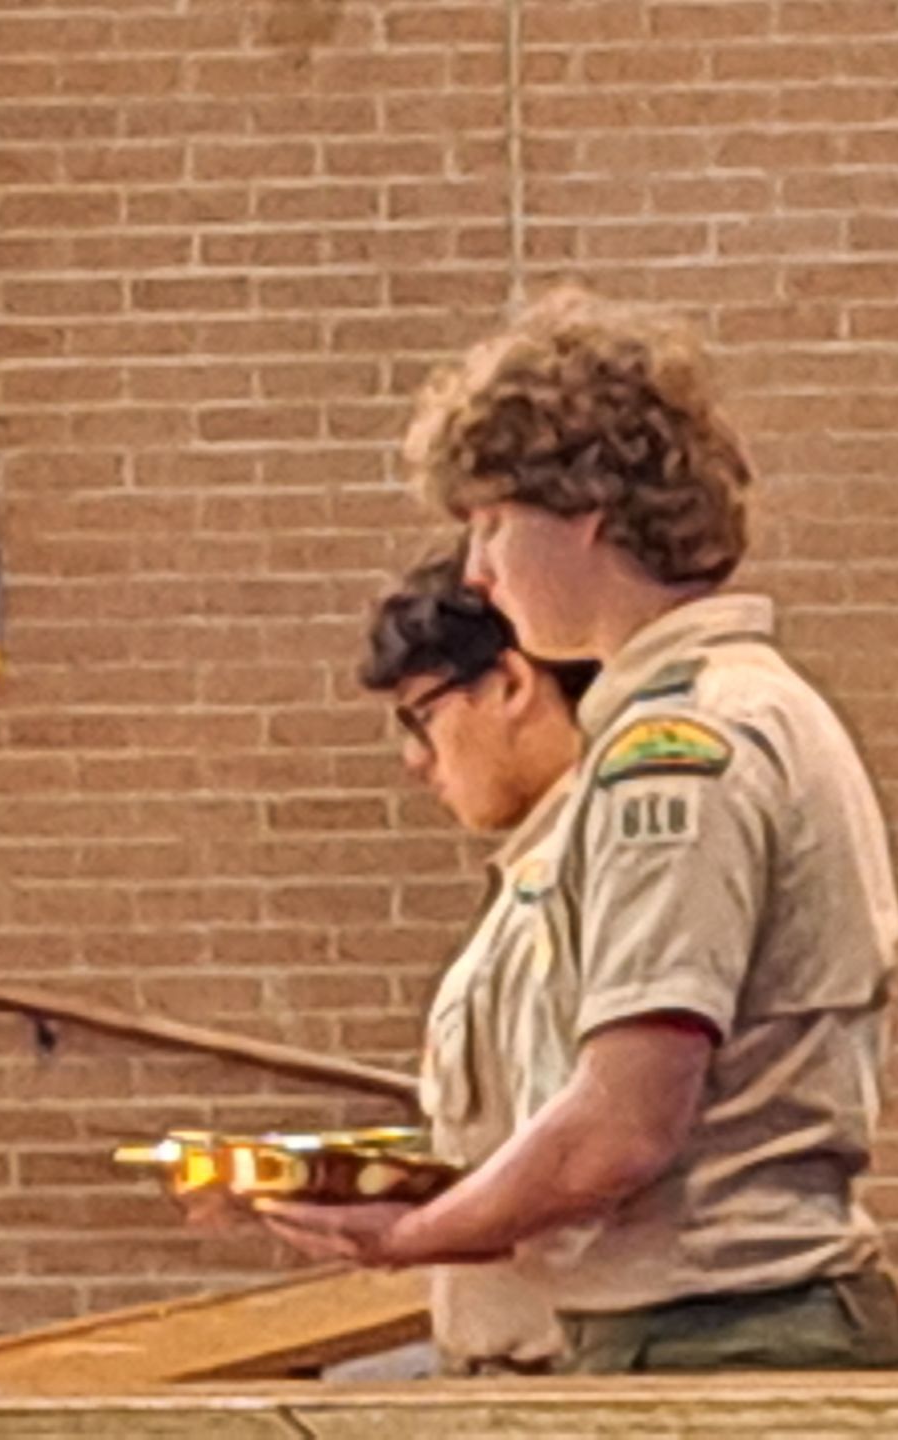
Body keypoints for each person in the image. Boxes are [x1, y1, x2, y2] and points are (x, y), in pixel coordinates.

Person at [259, 288, 898, 1374]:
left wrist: (414, 1236)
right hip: (702, 1324)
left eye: (490, 524)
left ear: (586, 515)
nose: (477, 569)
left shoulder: (685, 748)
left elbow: (625, 1124)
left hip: (724, 1337)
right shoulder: (729, 707)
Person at [355, 549, 596, 1375]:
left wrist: (404, 1231)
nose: (415, 760)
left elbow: (596, 1149)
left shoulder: (597, 867)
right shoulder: (532, 876)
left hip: (572, 1374)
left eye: (420, 718)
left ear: (514, 685)